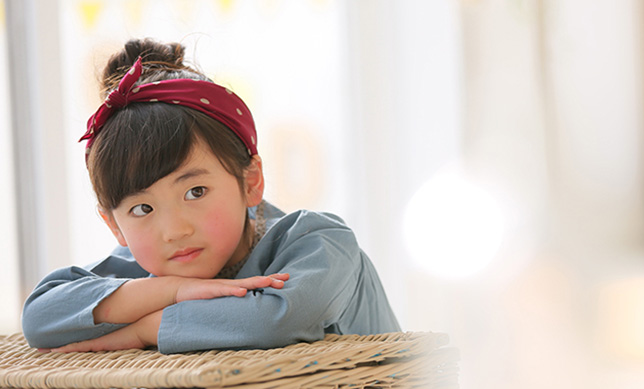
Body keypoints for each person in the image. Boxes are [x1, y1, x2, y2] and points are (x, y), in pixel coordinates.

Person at [21, 38, 401, 354]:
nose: (173, 229)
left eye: (195, 191)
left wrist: (145, 330)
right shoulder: (149, 270)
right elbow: (40, 317)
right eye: (142, 208)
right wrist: (173, 290)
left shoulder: (319, 243)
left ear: (251, 181)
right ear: (114, 225)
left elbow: (275, 318)